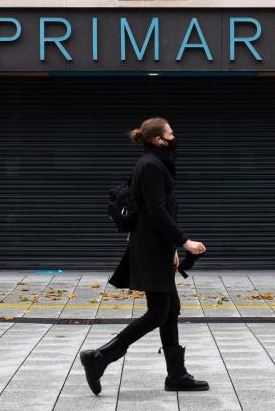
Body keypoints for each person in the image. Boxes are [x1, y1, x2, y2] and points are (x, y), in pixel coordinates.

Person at [79, 117, 209, 395]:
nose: (175, 137)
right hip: (151, 248)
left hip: (157, 246)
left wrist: (172, 248)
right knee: (157, 313)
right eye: (171, 133)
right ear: (158, 139)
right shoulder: (150, 166)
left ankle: (176, 375)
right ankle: (100, 357)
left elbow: (160, 212)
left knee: (170, 310)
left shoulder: (154, 163)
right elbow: (157, 211)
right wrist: (184, 241)